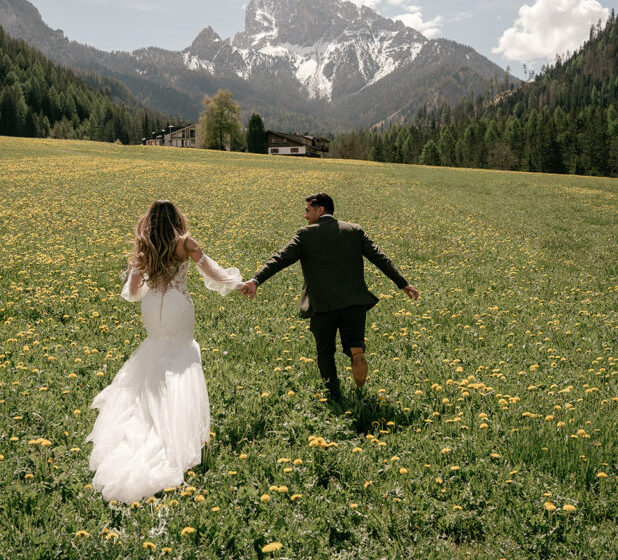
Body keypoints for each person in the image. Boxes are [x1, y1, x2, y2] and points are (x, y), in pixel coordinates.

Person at [87, 199, 242, 503]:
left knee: (155, 359)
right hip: (177, 308)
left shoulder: (144, 248)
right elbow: (210, 270)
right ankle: (178, 432)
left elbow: (132, 292)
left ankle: (150, 420)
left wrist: (147, 284)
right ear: (176, 218)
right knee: (182, 361)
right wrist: (236, 283)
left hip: (151, 309)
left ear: (150, 221)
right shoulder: (185, 243)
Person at [241, 193, 418, 402]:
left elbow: (281, 259)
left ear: (320, 210)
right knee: (355, 344)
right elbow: (380, 258)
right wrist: (403, 283)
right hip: (354, 303)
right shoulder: (354, 230)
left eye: (308, 210)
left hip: (322, 304)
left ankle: (335, 398)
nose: (305, 215)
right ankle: (358, 367)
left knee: (325, 352)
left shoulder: (306, 234)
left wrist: (256, 280)